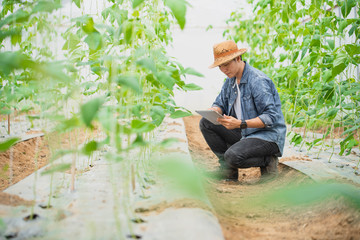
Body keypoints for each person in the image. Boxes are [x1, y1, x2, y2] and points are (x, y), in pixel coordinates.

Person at [200, 40, 287, 182]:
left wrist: (240, 123)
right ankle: (228, 171)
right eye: (220, 66)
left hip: (266, 136)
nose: (224, 70)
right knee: (206, 123)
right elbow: (220, 102)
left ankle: (268, 160)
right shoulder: (230, 81)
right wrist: (215, 110)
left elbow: (270, 117)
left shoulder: (257, 81)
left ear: (238, 58)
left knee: (232, 156)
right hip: (244, 131)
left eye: (226, 64)